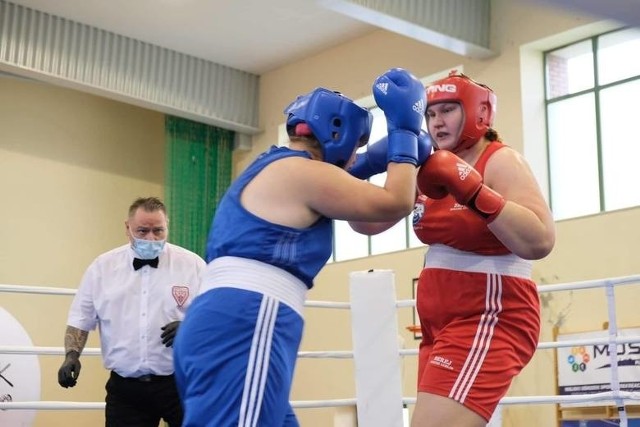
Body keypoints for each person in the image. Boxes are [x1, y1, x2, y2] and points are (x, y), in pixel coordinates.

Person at [172, 67, 430, 426]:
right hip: (248, 320)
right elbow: (394, 202)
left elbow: (364, 217)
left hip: (230, 319)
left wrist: (375, 161)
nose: (355, 158)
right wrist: (404, 132)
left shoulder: (277, 166)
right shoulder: (304, 172)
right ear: (339, 134)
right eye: (356, 148)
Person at [349, 71, 556, 427]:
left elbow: (539, 240)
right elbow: (367, 223)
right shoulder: (427, 166)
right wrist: (362, 169)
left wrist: (472, 190)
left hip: (490, 312)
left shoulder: (500, 159)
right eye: (430, 113)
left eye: (447, 110)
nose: (436, 121)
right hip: (437, 324)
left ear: (478, 113)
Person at [57, 196, 205, 427]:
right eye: (142, 231)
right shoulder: (102, 267)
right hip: (126, 389)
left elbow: (214, 316)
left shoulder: (192, 265)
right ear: (127, 228)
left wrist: (191, 326)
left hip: (180, 382)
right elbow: (80, 318)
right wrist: (71, 356)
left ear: (168, 225)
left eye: (158, 230)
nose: (151, 238)